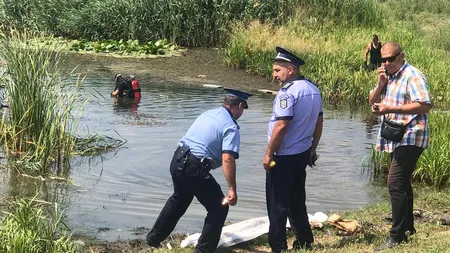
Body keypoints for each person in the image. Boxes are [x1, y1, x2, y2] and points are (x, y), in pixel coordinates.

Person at [146, 88, 252, 253]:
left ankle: (153, 239)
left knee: (179, 200)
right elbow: (228, 159)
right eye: (243, 108)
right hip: (194, 168)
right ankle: (203, 250)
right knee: (219, 207)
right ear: (239, 105)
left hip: (177, 160)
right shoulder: (230, 126)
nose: (242, 113)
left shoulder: (208, 113)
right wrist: (232, 189)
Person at [369, 41, 431, 251]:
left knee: (395, 183)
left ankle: (396, 237)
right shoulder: (388, 76)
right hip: (394, 135)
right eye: (383, 60)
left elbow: (425, 104)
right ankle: (408, 228)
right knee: (402, 182)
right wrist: (380, 84)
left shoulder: (412, 75)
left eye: (391, 59)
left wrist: (390, 108)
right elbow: (371, 100)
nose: (386, 63)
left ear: (401, 56)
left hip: (412, 134)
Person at [263, 47, 323, 252]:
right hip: (302, 153)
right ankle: (305, 240)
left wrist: (269, 153)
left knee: (277, 204)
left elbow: (281, 125)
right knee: (297, 200)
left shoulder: (287, 93)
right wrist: (313, 148)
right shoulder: (313, 89)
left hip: (284, 156)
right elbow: (319, 121)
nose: (274, 74)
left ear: (290, 70)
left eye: (277, 70)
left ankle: (278, 246)